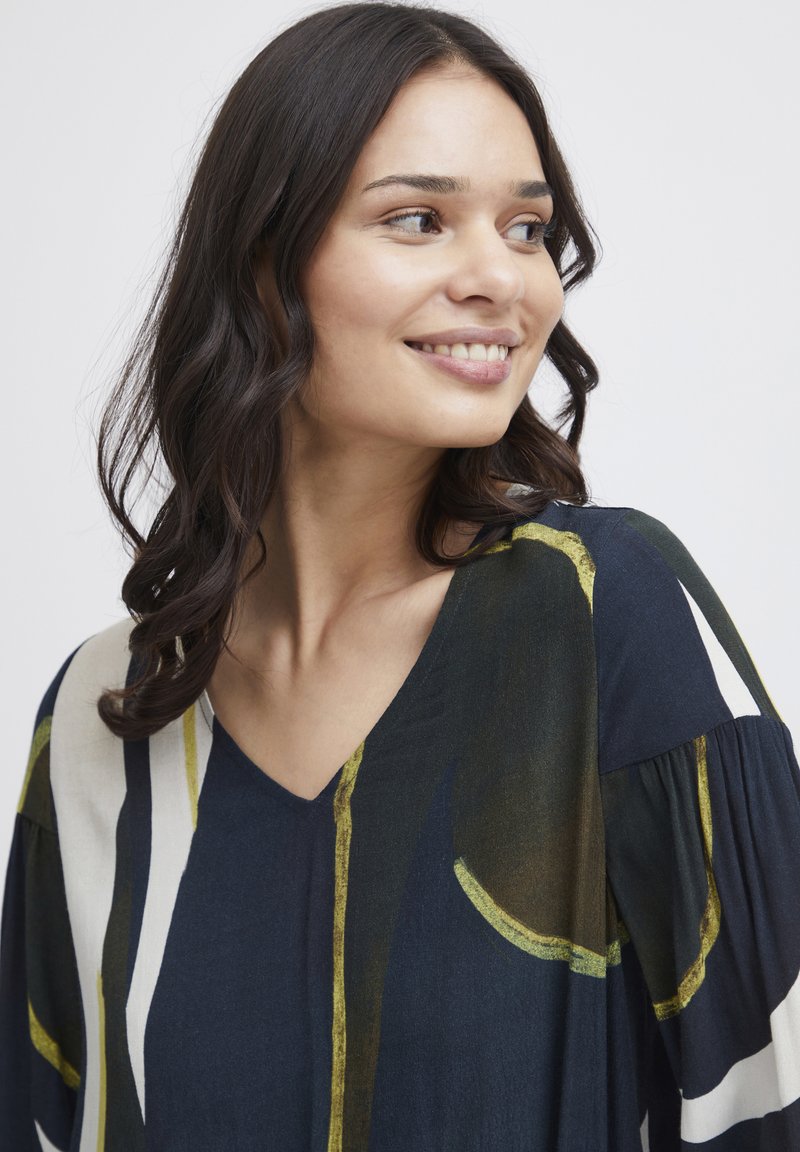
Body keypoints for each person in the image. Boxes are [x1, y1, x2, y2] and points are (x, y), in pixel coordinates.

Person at [1, 2, 798, 1148]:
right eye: (418, 219)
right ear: (262, 259)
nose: (499, 279)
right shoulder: (103, 716)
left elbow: (771, 1099)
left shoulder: (601, 616)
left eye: (526, 229)